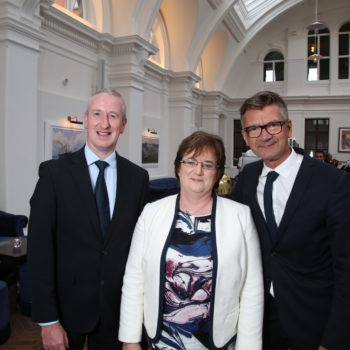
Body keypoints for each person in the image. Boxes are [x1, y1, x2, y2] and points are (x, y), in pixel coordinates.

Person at [119, 131, 264, 350]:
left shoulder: (240, 217)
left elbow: (252, 289)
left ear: (217, 173)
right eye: (191, 162)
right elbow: (134, 279)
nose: (198, 171)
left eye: (207, 164)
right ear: (178, 167)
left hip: (219, 341)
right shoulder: (152, 213)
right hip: (161, 340)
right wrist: (130, 340)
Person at [28, 89, 149, 350]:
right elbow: (39, 249)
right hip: (65, 310)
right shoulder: (53, 174)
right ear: (86, 119)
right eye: (97, 114)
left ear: (123, 125)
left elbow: (141, 249)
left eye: (113, 116)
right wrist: (48, 320)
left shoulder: (138, 179)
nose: (104, 123)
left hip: (118, 312)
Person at [230, 91, 350, 350]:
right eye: (253, 128)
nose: (264, 135)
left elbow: (346, 268)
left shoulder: (333, 182)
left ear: (288, 127)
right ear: (245, 136)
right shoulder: (248, 179)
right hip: (258, 322)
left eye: (272, 125)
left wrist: (334, 340)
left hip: (314, 321)